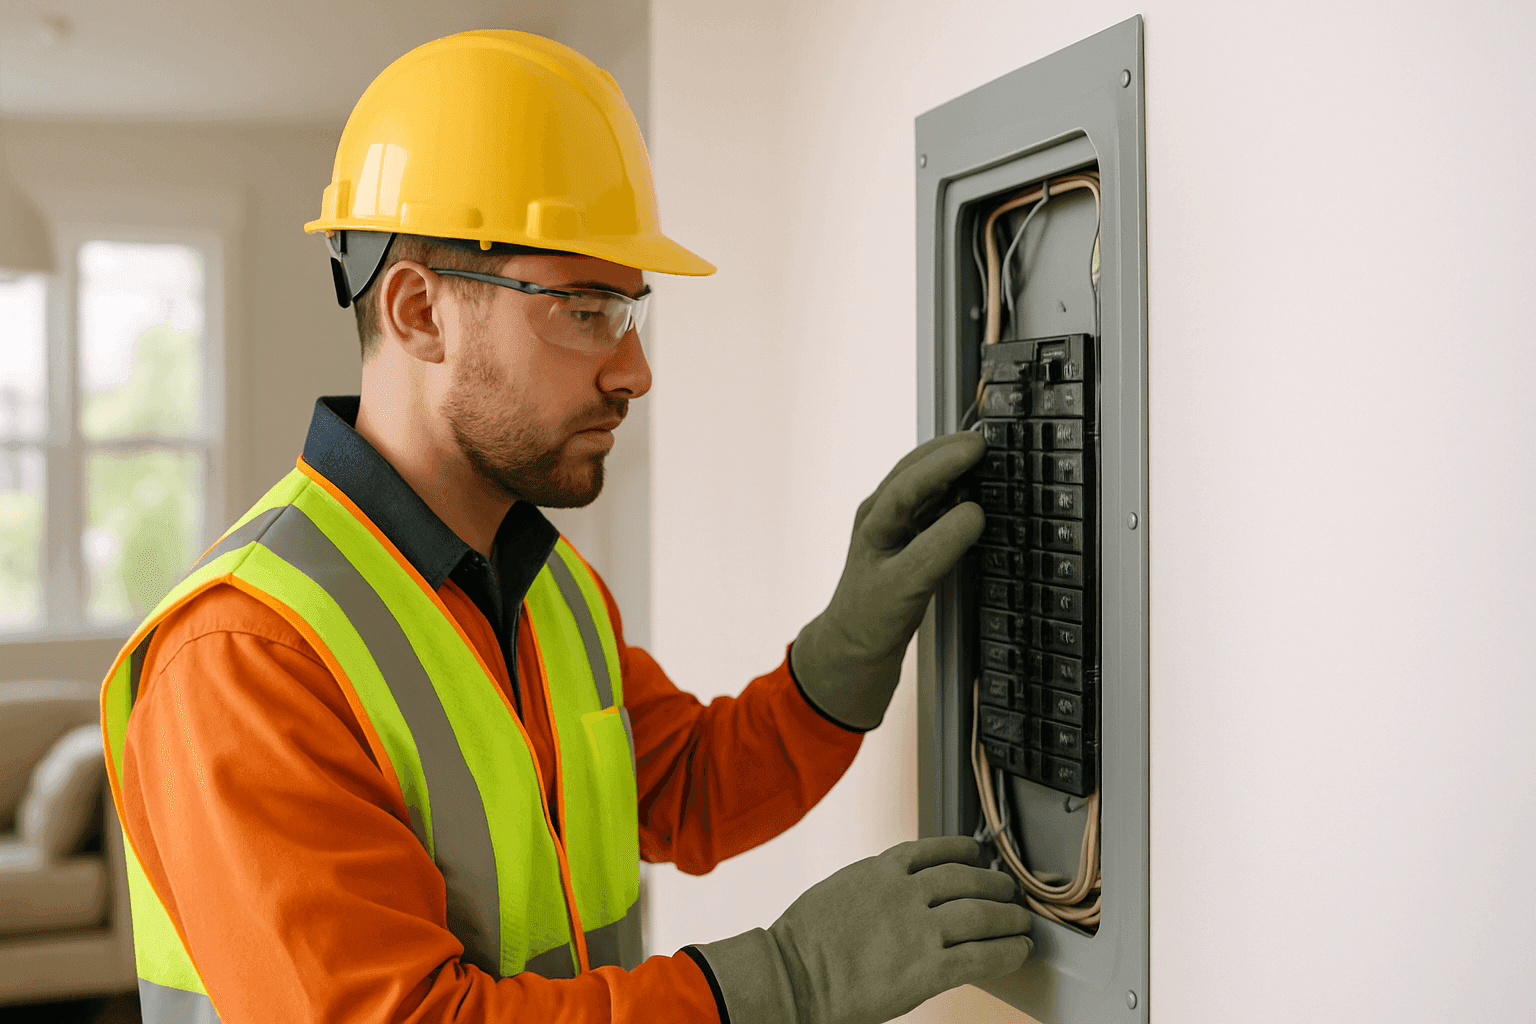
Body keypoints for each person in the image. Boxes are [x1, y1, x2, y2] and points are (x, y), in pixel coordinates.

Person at [98, 29, 1033, 1024]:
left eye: (631, 309)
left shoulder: (547, 584)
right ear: (419, 313)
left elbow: (688, 788)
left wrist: (843, 654)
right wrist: (788, 980)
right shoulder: (247, 657)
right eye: (585, 309)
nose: (634, 371)